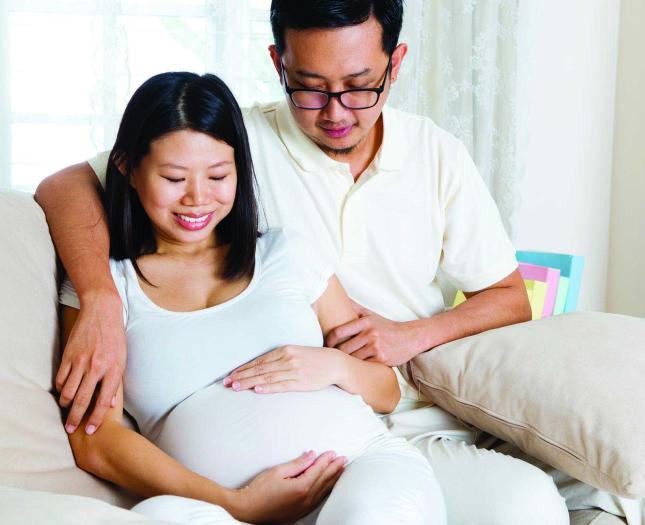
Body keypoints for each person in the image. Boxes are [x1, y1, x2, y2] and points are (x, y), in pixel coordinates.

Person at [36, 1, 641, 524]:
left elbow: (509, 297)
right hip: (272, 462)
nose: (335, 111)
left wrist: (401, 340)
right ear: (278, 64)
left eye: (359, 85)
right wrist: (99, 299)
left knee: (528, 504)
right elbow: (66, 185)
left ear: (394, 64)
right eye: (309, 86)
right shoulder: (230, 141)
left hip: (404, 417)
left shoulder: (433, 155)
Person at [59, 70, 446, 524]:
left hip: (359, 468)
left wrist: (334, 365)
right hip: (215, 507)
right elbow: (94, 440)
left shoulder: (287, 252)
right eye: (174, 177)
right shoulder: (107, 287)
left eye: (219, 175)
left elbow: (385, 392)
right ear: (126, 167)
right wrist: (234, 502)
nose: (197, 199)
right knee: (161, 517)